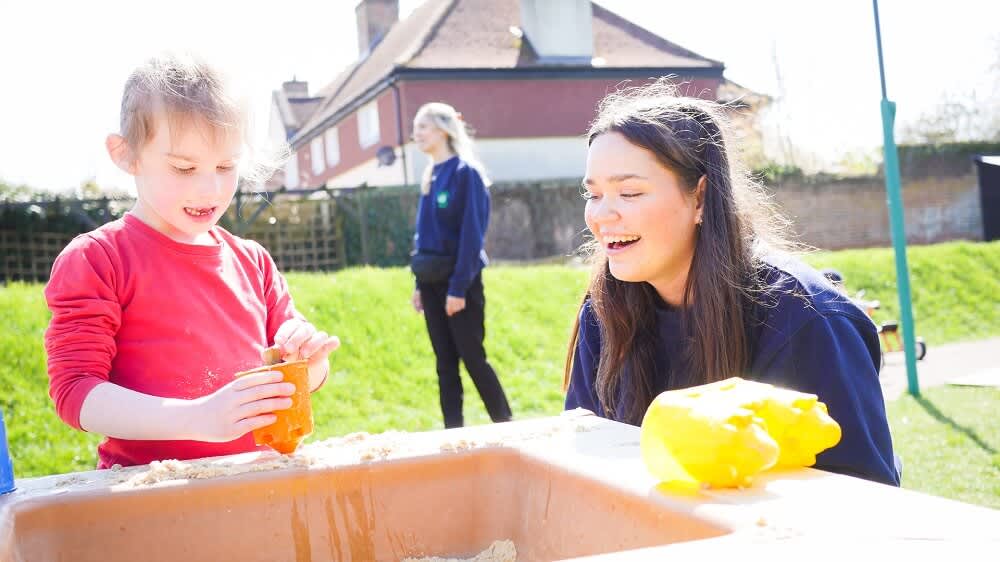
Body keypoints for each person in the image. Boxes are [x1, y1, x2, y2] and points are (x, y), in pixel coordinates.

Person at [563, 83, 899, 486]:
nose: (601, 215)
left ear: (701, 197)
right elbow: (583, 467)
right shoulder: (604, 312)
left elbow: (867, 497)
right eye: (593, 193)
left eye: (629, 192)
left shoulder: (807, 320)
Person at [44, 53, 340, 469]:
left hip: (255, 485)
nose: (210, 188)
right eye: (184, 168)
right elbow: (76, 392)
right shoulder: (99, 259)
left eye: (226, 166)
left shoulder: (252, 262)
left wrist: (311, 365)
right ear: (126, 154)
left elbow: (298, 380)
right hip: (149, 497)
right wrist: (198, 418)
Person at [409, 102, 512, 429]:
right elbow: (424, 236)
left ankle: (507, 425)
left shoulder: (466, 174)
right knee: (444, 363)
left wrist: (457, 289)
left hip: (461, 282)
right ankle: (451, 435)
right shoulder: (430, 176)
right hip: (430, 281)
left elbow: (471, 236)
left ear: (443, 130)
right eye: (416, 129)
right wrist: (418, 285)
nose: (417, 134)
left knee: (472, 358)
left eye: (423, 127)